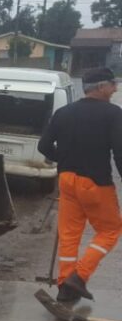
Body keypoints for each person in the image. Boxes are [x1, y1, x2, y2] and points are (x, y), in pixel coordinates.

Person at [38, 67, 122, 303]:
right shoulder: (113, 114)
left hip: (66, 180)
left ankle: (65, 289)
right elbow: (120, 152)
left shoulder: (64, 112)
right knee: (110, 230)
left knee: (69, 235)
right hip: (95, 183)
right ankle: (79, 277)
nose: (115, 89)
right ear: (100, 87)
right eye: (113, 84)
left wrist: (62, 158)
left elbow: (44, 146)